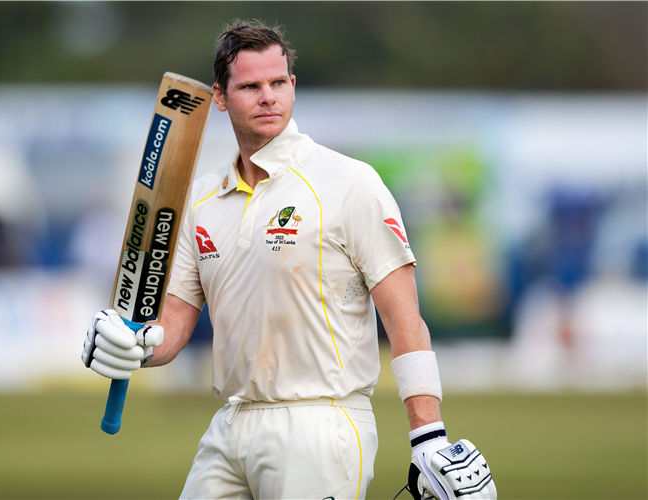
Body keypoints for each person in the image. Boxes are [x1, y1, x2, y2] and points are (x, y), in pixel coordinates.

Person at [82, 20, 497, 500]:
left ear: (293, 86)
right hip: (232, 423)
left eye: (278, 83)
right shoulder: (200, 199)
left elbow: (405, 321)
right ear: (220, 97)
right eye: (250, 86)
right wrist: (134, 346)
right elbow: (173, 324)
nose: (267, 97)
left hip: (321, 425)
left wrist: (428, 435)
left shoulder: (348, 182)